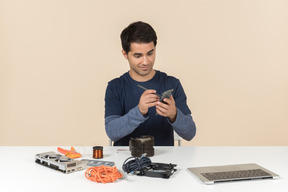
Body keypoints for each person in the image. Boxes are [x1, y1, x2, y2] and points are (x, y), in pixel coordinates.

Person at [105, 21, 196, 146]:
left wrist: (174, 115)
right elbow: (112, 132)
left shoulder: (172, 83)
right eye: (138, 56)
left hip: (165, 161)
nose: (145, 61)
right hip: (125, 161)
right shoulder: (115, 87)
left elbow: (190, 133)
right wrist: (139, 111)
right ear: (125, 54)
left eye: (150, 53)